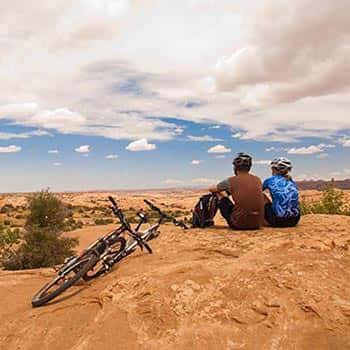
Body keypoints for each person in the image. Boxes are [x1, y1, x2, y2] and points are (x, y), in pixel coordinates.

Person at [209, 153, 264, 230]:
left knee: (219, 194)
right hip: (258, 223)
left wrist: (224, 194)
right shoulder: (258, 179)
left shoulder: (231, 180)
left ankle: (207, 220)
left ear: (235, 167)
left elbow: (211, 189)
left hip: (239, 224)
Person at [263, 157, 300, 227]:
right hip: (295, 220)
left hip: (278, 221)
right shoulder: (291, 181)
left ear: (274, 169)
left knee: (262, 196)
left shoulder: (270, 181)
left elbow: (258, 192)